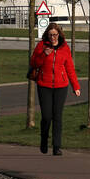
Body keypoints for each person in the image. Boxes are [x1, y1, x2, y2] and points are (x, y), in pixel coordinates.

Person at [29, 21, 80, 156]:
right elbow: (33, 62)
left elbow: (70, 68)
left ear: (59, 35)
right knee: (46, 116)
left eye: (55, 35)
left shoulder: (64, 48)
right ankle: (44, 140)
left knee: (57, 116)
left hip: (61, 86)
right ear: (47, 35)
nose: (53, 37)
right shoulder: (41, 46)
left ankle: (57, 146)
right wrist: (44, 54)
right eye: (51, 35)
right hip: (44, 85)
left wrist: (76, 86)